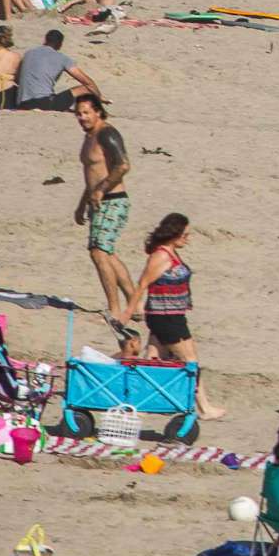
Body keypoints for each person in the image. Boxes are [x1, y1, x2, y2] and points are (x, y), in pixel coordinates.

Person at [123, 212, 224, 420]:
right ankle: (204, 408)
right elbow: (143, 283)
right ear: (174, 234)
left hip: (171, 315)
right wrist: (128, 312)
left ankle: (135, 402)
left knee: (152, 359)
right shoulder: (161, 256)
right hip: (166, 318)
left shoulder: (171, 253)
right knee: (190, 360)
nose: (188, 238)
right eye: (185, 235)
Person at [72, 93, 134, 328]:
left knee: (99, 252)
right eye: (78, 114)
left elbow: (123, 165)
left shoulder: (107, 133)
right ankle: (134, 302)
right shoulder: (89, 137)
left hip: (114, 199)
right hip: (98, 202)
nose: (82, 117)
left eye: (86, 112)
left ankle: (115, 309)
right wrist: (82, 204)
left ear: (98, 111)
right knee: (105, 252)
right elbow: (92, 175)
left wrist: (101, 190)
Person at [14, 27, 99, 111]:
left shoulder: (28, 53)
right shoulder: (62, 58)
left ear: (45, 40)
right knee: (86, 88)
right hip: (44, 103)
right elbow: (87, 82)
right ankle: (99, 111)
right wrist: (99, 96)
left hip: (22, 104)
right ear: (60, 44)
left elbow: (17, 79)